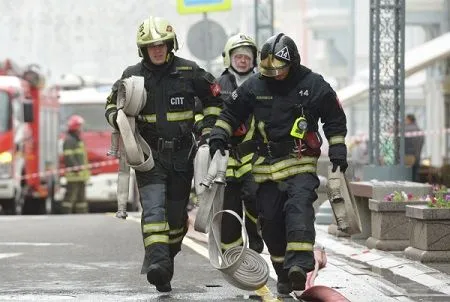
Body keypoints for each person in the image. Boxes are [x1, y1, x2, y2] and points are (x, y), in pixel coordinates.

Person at [208, 33, 348, 295]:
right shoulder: (255, 85)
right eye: (269, 70)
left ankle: (299, 266)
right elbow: (230, 113)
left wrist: (338, 148)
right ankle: (284, 272)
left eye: (279, 70)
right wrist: (219, 134)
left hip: (299, 163)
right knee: (270, 223)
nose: (274, 75)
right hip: (264, 168)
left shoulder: (314, 85)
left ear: (292, 63)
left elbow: (334, 118)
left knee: (298, 211)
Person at [104, 16, 222, 292]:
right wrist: (117, 119)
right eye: (151, 46)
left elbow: (215, 99)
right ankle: (157, 264)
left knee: (177, 217)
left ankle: (165, 259)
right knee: (154, 210)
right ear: (142, 50)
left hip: (183, 156)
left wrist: (208, 130)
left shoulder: (190, 72)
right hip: (149, 157)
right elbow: (111, 105)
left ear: (171, 45)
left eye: (162, 45)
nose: (157, 50)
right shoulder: (131, 76)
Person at [217, 33, 264, 253]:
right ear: (229, 59)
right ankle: (232, 254)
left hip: (254, 154)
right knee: (229, 207)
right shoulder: (219, 85)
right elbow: (207, 113)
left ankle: (255, 236)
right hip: (225, 155)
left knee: (255, 197)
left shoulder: (263, 84)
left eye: (247, 57)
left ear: (254, 60)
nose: (243, 60)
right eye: (238, 56)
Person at [61, 115, 90, 214]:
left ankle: (82, 214)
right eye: (80, 126)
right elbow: (68, 157)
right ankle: (65, 214)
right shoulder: (69, 140)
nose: (81, 129)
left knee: (81, 197)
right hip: (74, 175)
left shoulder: (77, 139)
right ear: (75, 127)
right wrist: (75, 167)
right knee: (70, 196)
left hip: (81, 175)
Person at [405, 114, 424, 182]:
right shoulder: (419, 130)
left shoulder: (405, 130)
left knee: (406, 177)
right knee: (415, 177)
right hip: (417, 156)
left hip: (407, 157)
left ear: (408, 120)